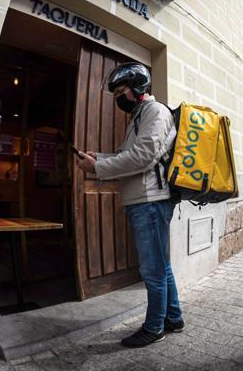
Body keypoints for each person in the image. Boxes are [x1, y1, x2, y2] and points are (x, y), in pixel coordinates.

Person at [76, 62, 184, 348]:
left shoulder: (155, 112)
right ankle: (173, 318)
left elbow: (142, 158)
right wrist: (96, 157)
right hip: (144, 201)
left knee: (153, 270)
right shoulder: (140, 115)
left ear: (137, 88)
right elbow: (129, 154)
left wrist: (98, 167)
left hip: (150, 202)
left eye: (121, 90)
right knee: (161, 265)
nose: (118, 98)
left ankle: (154, 328)